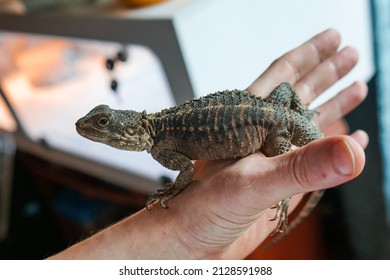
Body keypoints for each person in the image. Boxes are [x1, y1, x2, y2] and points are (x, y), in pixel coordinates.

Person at [49, 29, 369, 259]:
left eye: (103, 124)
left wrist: (174, 192)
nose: (93, 128)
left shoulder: (162, 146)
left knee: (281, 165)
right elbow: (284, 88)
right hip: (279, 110)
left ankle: (286, 194)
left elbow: (187, 171)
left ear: (128, 128)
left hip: (274, 131)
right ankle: (299, 116)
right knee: (283, 89)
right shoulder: (162, 127)